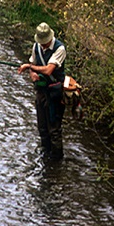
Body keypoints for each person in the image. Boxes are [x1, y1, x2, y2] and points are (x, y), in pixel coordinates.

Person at [18, 23, 67, 162]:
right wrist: (32, 74)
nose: (43, 45)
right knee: (42, 127)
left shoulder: (60, 49)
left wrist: (29, 67)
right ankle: (45, 153)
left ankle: (56, 159)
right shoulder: (36, 47)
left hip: (55, 94)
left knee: (54, 129)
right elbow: (33, 65)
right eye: (42, 43)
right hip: (40, 91)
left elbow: (48, 70)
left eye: (45, 43)